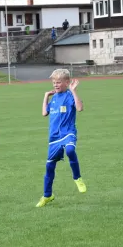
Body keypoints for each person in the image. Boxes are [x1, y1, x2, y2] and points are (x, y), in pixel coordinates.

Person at [36, 69, 86, 208]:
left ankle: (77, 178)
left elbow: (80, 108)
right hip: (54, 138)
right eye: (54, 82)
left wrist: (74, 90)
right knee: (49, 167)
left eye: (58, 82)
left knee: (70, 150)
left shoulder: (69, 96)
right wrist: (46, 96)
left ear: (67, 82)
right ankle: (47, 195)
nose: (55, 85)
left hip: (68, 133)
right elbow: (44, 113)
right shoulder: (54, 98)